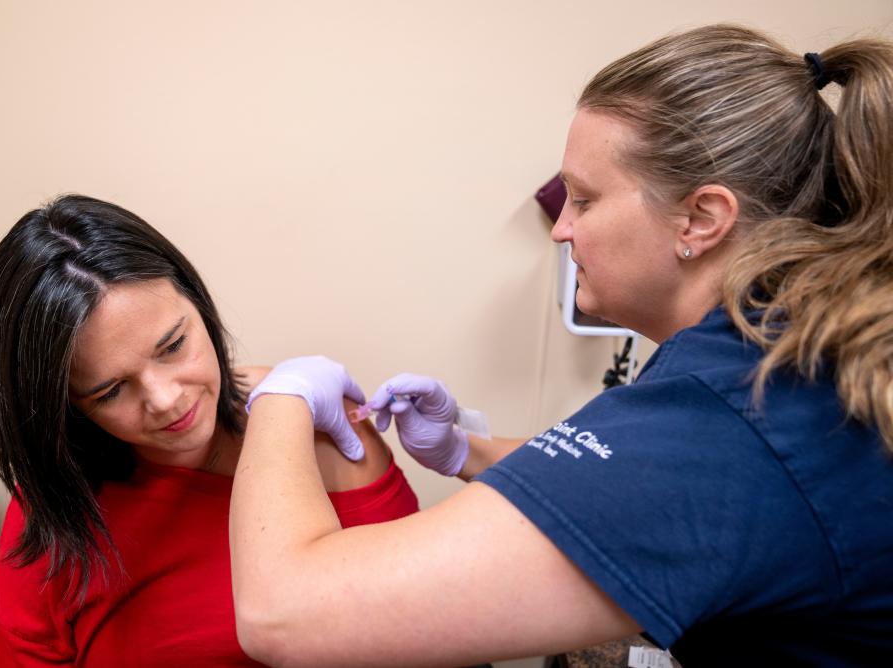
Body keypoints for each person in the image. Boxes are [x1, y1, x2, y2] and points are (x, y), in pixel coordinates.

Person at [229, 24, 893, 667]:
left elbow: (284, 614)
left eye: (583, 199)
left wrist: (283, 395)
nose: (561, 231)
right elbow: (636, 482)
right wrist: (470, 448)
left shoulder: (733, 417)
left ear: (701, 218)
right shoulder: (781, 348)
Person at [0, 194, 420, 666]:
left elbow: (420, 620)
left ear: (197, 303)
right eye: (110, 391)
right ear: (66, 406)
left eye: (173, 346)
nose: (165, 400)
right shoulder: (56, 508)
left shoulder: (318, 425)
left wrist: (466, 453)